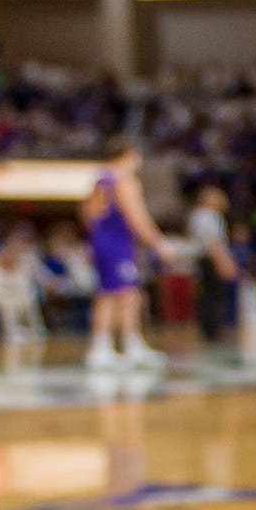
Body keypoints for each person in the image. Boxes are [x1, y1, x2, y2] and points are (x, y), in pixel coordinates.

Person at [82, 149, 165, 371]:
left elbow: (87, 212)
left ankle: (105, 346)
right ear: (128, 155)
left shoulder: (100, 180)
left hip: (101, 241)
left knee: (109, 294)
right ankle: (128, 345)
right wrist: (158, 243)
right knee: (127, 295)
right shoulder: (124, 180)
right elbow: (136, 216)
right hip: (118, 242)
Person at [188, 185, 239, 344]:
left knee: (210, 295)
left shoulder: (199, 215)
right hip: (211, 258)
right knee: (213, 295)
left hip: (206, 258)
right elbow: (214, 242)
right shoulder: (208, 216)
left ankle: (211, 330)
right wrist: (224, 261)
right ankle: (212, 331)